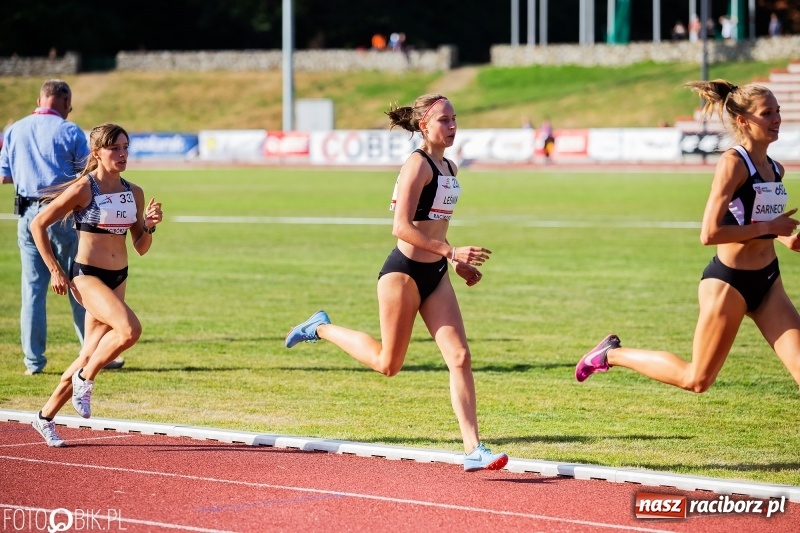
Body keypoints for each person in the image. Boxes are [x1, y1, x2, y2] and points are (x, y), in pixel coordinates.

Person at [285, 94, 508, 472]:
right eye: (444, 121)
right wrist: (452, 253)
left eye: (455, 119)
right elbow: (400, 228)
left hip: (434, 274)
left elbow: (436, 226)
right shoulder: (416, 165)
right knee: (388, 364)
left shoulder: (450, 167)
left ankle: (473, 449)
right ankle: (320, 327)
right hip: (402, 273)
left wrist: (453, 262)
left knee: (460, 357)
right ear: (424, 126)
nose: (452, 126)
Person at [575, 80, 800, 396]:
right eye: (767, 113)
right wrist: (769, 229)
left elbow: (753, 220)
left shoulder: (776, 169)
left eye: (777, 111)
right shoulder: (733, 164)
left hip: (769, 282)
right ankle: (610, 355)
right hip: (730, 284)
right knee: (697, 380)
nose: (776, 119)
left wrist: (782, 237)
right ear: (743, 121)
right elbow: (709, 233)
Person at [30, 123, 163, 447]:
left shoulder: (134, 192)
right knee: (130, 330)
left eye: (125, 148)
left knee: (88, 352)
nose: (122, 154)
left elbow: (141, 247)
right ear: (97, 153)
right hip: (87, 276)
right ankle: (85, 378)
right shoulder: (84, 189)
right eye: (114, 148)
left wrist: (150, 226)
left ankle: (44, 416)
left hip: (119, 278)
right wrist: (56, 271)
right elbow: (38, 224)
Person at [0, 79, 125, 375]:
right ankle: (93, 352)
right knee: (82, 285)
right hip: (64, 213)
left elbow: (4, 176)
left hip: (27, 214)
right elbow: (91, 172)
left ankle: (34, 362)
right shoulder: (68, 130)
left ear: (41, 98)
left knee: (32, 290)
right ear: (64, 101)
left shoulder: (14, 129)